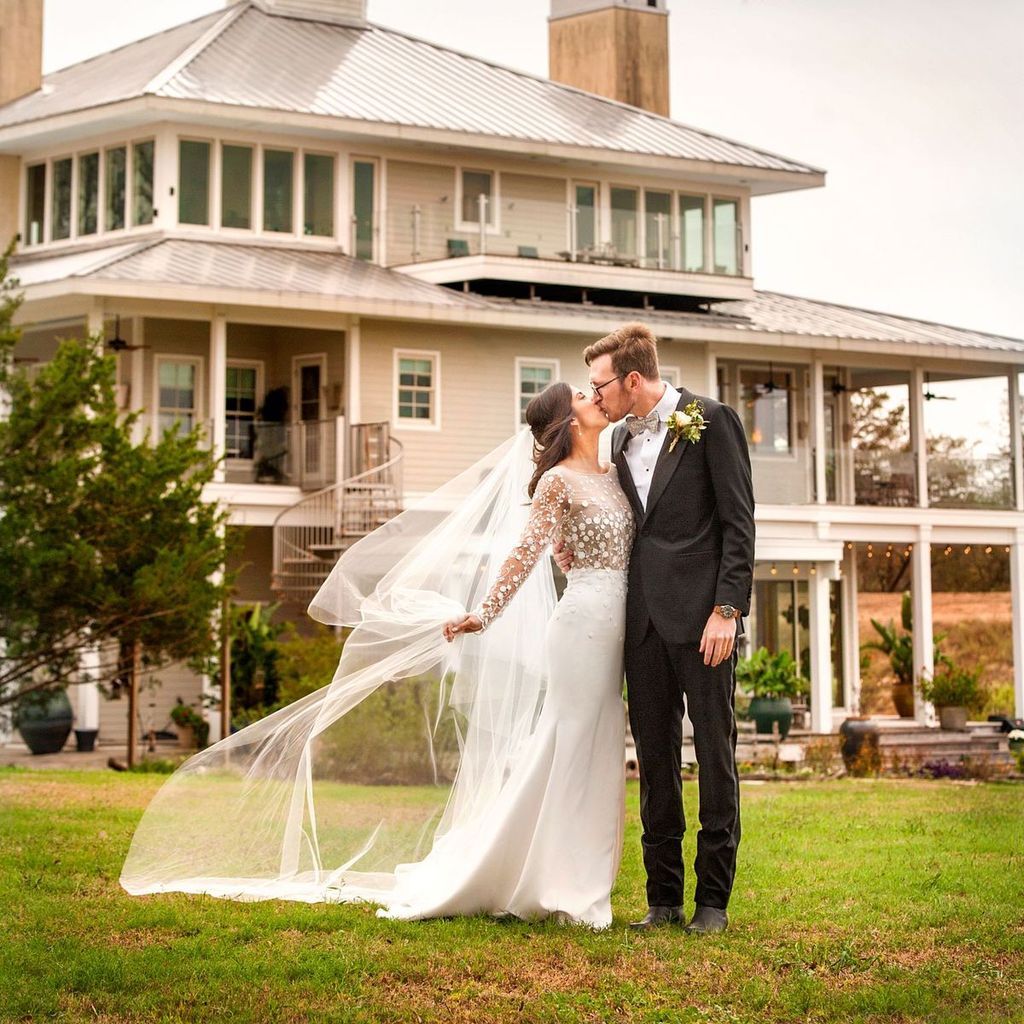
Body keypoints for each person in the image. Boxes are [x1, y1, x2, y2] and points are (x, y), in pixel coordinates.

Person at [119, 382, 635, 930]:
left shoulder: (613, 474)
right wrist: (485, 613)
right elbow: (524, 554)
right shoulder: (556, 481)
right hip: (580, 627)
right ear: (568, 421)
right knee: (569, 745)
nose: (595, 396)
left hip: (621, 623)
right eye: (583, 395)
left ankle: (572, 875)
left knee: (598, 748)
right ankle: (558, 884)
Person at [556, 323, 755, 934]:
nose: (594, 395)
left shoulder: (710, 420)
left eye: (600, 384)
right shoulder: (615, 442)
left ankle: (713, 903)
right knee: (655, 759)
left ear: (632, 379)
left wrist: (728, 610)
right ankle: (663, 899)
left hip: (704, 625)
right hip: (639, 625)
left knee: (716, 757)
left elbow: (738, 525)